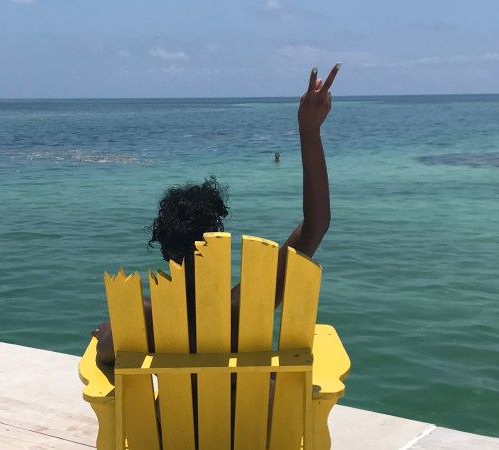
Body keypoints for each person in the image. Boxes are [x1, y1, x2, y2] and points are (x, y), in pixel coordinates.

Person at [93, 63, 340, 365]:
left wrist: (108, 331)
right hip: (243, 399)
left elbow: (105, 352)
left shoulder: (145, 314)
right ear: (217, 242)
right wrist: (309, 131)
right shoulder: (243, 306)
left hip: (173, 398)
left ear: (164, 249)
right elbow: (316, 225)